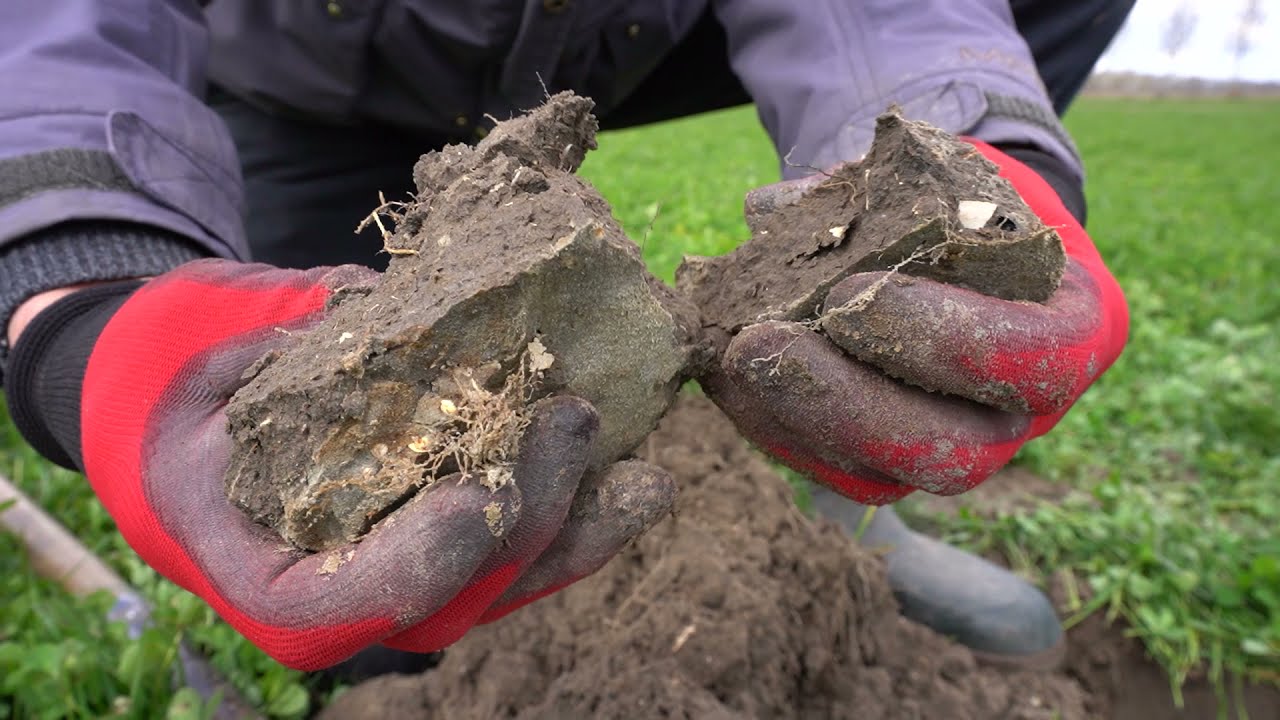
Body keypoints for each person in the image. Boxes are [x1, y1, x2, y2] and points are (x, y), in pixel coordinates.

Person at [0, 0, 1132, 680]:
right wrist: (84, 295)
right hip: (307, 75)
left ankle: (823, 507)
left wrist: (976, 154)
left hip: (612, 45)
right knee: (385, 589)